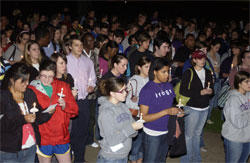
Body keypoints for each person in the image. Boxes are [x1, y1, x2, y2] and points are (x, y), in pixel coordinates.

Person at [0, 63, 53, 162]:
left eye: (28, 80)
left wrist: (48, 113)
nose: (27, 84)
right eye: (23, 81)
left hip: (30, 147)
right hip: (9, 150)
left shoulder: (29, 94)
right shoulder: (3, 97)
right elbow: (3, 124)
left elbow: (37, 116)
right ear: (12, 80)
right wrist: (23, 119)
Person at [28, 60, 78, 163]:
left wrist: (65, 106)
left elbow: (75, 111)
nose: (46, 79)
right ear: (39, 72)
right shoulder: (32, 89)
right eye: (43, 76)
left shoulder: (63, 86)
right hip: (43, 137)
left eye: (50, 76)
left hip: (61, 136)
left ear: (55, 74)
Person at [139, 58, 184, 162]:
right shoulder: (147, 90)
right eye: (163, 72)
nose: (166, 75)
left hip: (167, 130)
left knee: (161, 160)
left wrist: (177, 111)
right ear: (154, 72)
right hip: (152, 133)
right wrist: (166, 112)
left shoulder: (168, 85)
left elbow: (171, 105)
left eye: (168, 71)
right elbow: (143, 117)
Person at [97, 77, 144, 163]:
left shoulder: (124, 106)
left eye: (125, 90)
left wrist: (134, 128)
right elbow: (112, 140)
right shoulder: (106, 112)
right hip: (111, 157)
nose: (125, 93)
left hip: (124, 155)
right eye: (121, 91)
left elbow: (133, 134)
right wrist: (132, 127)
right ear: (112, 93)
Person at [66, 35, 96, 163]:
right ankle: (68, 154)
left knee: (83, 129)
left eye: (81, 45)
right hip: (68, 101)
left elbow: (92, 77)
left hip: (83, 100)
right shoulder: (65, 60)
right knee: (70, 130)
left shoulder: (88, 61)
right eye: (76, 45)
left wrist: (91, 85)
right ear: (70, 46)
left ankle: (79, 158)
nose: (79, 48)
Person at [180, 50, 213, 163]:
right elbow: (183, 91)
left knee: (197, 134)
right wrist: (200, 92)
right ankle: (186, 160)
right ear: (194, 60)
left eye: (203, 58)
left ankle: (196, 159)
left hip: (204, 107)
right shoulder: (188, 72)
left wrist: (210, 91)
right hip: (192, 108)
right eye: (199, 58)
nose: (202, 60)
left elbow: (211, 89)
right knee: (189, 135)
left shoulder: (208, 72)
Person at [125, 56, 151, 163]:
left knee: (143, 142)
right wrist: (134, 100)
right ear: (139, 67)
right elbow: (126, 100)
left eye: (150, 66)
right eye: (146, 67)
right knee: (136, 141)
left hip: (148, 115)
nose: (149, 69)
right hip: (136, 115)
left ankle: (139, 160)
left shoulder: (150, 80)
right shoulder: (134, 80)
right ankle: (133, 160)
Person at [221, 71, 250, 163]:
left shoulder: (248, 95)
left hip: (247, 136)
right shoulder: (233, 100)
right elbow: (238, 123)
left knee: (243, 161)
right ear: (239, 83)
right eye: (247, 81)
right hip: (234, 138)